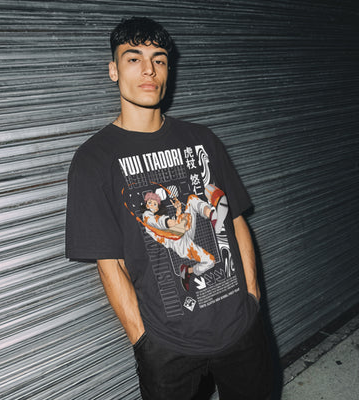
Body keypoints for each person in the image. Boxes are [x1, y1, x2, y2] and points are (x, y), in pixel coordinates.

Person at [66, 16, 272, 400]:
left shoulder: (203, 140)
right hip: (167, 347)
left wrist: (252, 296)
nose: (149, 69)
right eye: (133, 58)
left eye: (159, 60)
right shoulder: (94, 159)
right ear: (113, 70)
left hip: (241, 328)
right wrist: (143, 340)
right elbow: (109, 264)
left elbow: (236, 220)